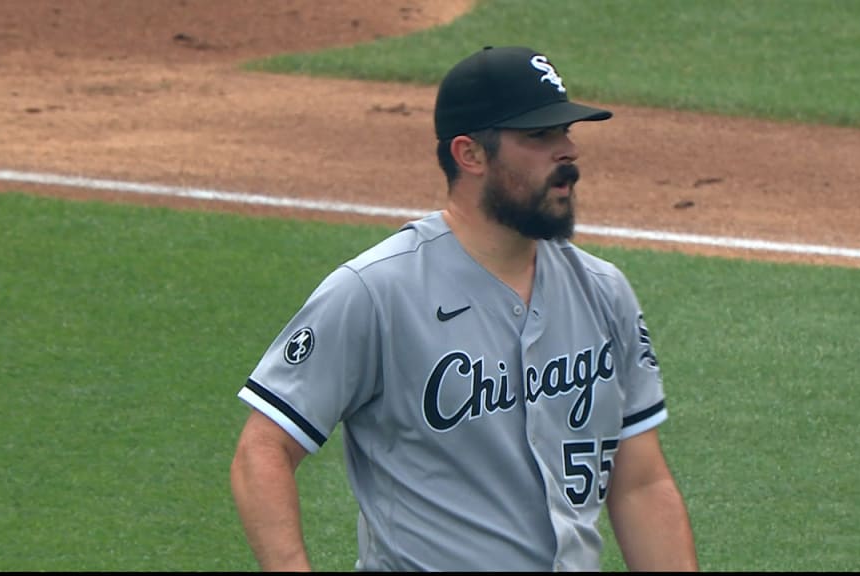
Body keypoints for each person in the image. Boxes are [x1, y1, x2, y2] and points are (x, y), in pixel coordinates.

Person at [230, 45, 699, 572]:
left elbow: (639, 484)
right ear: (470, 154)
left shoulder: (602, 290)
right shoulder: (376, 292)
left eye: (566, 133)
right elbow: (262, 451)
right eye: (540, 136)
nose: (567, 152)